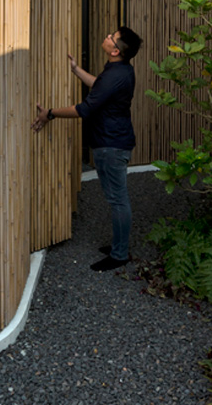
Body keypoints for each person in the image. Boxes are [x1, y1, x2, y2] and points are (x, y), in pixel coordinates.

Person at [32, 26, 142, 271]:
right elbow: (100, 86)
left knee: (118, 200)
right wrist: (76, 70)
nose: (106, 36)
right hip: (114, 141)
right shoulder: (121, 70)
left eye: (110, 37)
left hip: (112, 144)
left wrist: (49, 113)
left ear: (115, 50)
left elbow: (85, 109)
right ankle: (119, 245)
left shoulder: (116, 75)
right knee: (117, 198)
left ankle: (120, 254)